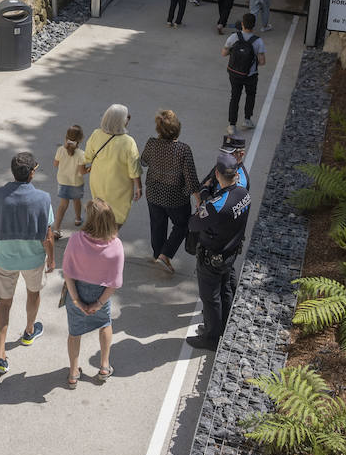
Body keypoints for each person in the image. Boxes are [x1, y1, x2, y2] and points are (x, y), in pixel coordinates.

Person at [0, 151, 55, 374]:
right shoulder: (43, 199)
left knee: (4, 303)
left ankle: (0, 355)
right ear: (32, 173)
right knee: (33, 293)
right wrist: (51, 259)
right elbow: (48, 236)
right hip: (33, 258)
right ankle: (28, 331)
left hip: (4, 257)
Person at [185, 151, 252, 351]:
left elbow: (194, 224)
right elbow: (222, 200)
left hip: (212, 257)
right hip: (230, 253)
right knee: (225, 290)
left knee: (210, 297)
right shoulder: (243, 193)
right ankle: (224, 326)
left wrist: (203, 200)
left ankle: (211, 337)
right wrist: (207, 195)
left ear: (217, 173)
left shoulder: (216, 206)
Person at [61, 200, 124, 387]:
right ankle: (104, 366)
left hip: (76, 290)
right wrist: (98, 303)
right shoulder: (116, 246)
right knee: (105, 323)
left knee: (74, 332)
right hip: (101, 293)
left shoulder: (75, 239)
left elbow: (67, 273)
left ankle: (73, 372)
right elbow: (114, 283)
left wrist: (76, 300)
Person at [140, 110, 200, 275]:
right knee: (182, 224)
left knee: (157, 225)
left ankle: (157, 254)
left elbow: (143, 162)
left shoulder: (152, 143)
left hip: (153, 193)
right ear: (178, 129)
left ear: (159, 129)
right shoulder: (183, 150)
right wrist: (198, 199)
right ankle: (165, 255)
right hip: (175, 197)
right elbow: (191, 178)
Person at [84, 104, 142, 227]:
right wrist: (139, 187)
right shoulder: (128, 142)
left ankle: (98, 235)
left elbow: (87, 156)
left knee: (100, 210)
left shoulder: (96, 134)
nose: (129, 118)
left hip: (98, 181)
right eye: (127, 117)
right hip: (120, 186)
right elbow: (134, 169)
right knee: (117, 216)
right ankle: (108, 241)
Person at [223, 13, 268, 133]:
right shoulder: (258, 41)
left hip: (234, 73)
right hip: (251, 75)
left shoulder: (233, 37)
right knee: (250, 95)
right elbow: (262, 62)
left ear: (242, 24)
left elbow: (224, 53)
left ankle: (232, 125)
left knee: (235, 97)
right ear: (254, 26)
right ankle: (247, 120)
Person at [52, 123, 86, 240]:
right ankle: (77, 219)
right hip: (76, 182)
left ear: (66, 137)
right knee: (77, 201)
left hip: (63, 181)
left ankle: (56, 228)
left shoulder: (60, 150)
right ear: (80, 139)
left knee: (63, 205)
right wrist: (90, 168)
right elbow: (82, 172)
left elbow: (55, 164)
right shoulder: (81, 154)